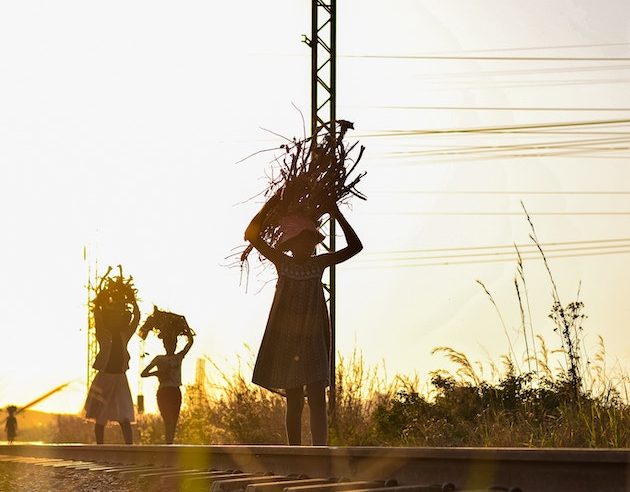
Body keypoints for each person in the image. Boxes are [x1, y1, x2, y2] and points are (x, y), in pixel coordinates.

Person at [244, 201, 362, 445]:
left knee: (318, 396)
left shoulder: (318, 264)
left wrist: (336, 213)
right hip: (288, 342)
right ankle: (295, 453)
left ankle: (319, 452)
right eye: (302, 240)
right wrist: (271, 204)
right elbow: (251, 235)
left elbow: (355, 247)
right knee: (295, 398)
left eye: (310, 240)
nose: (308, 245)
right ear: (291, 243)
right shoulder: (282, 262)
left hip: (313, 339)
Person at [84, 298, 139, 444]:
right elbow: (97, 319)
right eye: (112, 318)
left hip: (120, 379)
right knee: (100, 415)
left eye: (118, 318)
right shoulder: (103, 334)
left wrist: (134, 303)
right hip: (104, 378)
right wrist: (98, 303)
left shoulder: (124, 336)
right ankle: (100, 445)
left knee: (124, 414)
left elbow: (136, 321)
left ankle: (129, 446)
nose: (115, 321)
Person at [140, 327, 194, 444]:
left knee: (173, 422)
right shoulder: (159, 359)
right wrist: (157, 373)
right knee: (168, 421)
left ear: (175, 344)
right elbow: (143, 373)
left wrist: (186, 327)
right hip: (164, 391)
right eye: (168, 343)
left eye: (173, 343)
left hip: (175, 391)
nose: (171, 346)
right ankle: (168, 445)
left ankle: (169, 444)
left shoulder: (178, 357)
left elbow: (190, 343)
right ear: (165, 345)